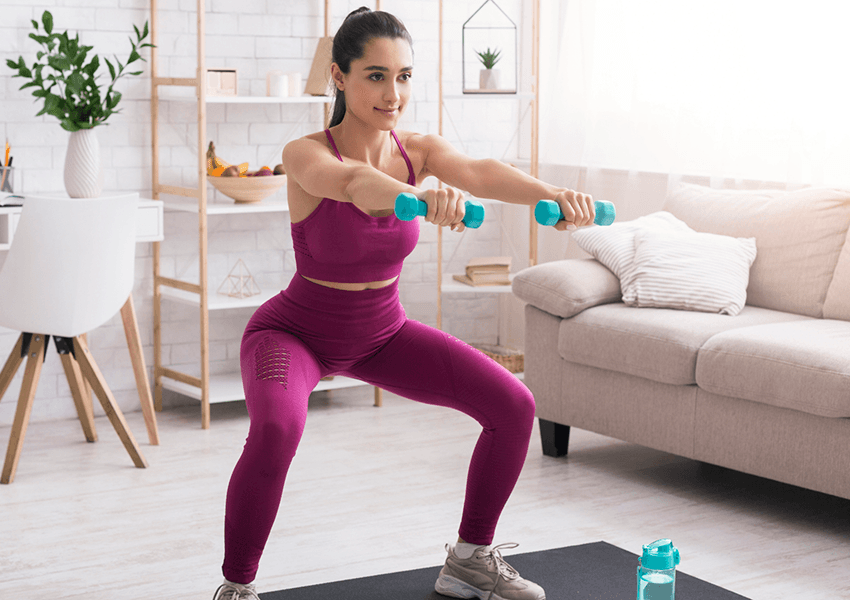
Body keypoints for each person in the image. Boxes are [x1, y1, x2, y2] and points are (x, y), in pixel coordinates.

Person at [212, 8, 595, 600]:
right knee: (275, 426)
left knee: (514, 405)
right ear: (338, 77)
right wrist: (414, 195)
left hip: (382, 333)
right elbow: (353, 185)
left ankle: (470, 560)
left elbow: (479, 171)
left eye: (404, 77)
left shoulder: (417, 148)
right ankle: (236, 588)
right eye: (375, 76)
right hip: (294, 333)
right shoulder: (305, 152)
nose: (393, 94)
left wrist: (553, 195)